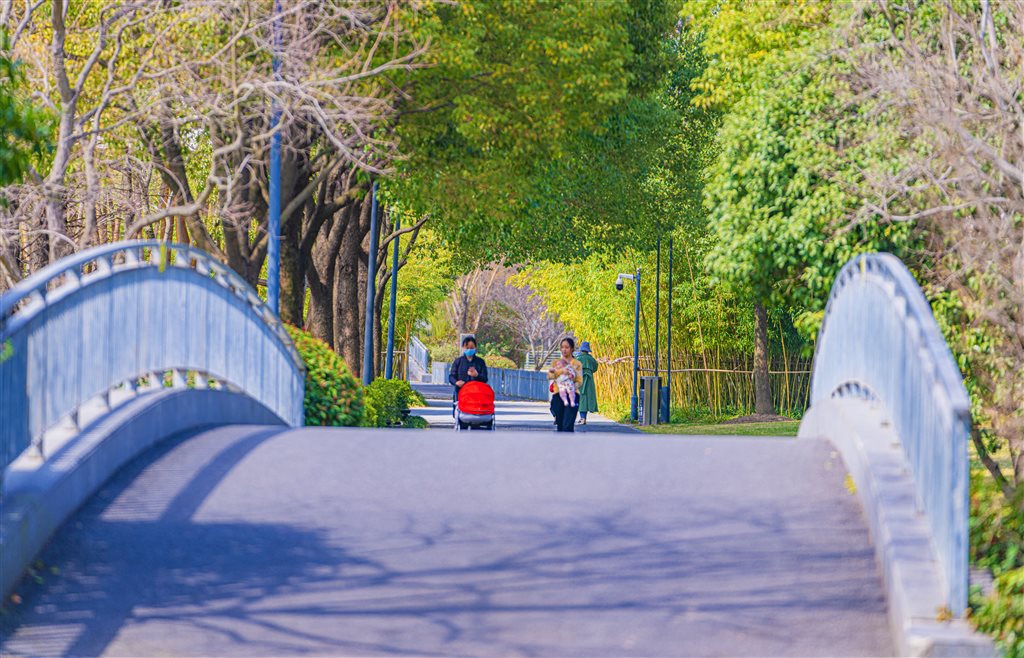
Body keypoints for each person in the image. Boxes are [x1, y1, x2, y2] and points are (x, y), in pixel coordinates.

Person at [548, 337, 583, 432]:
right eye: (562, 347)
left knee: (567, 425)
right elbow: (550, 376)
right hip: (558, 395)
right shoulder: (556, 362)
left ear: (572, 349)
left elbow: (579, 381)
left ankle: (569, 444)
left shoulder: (577, 363)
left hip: (573, 395)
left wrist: (570, 388)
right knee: (560, 424)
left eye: (567, 347)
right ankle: (560, 445)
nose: (564, 349)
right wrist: (561, 371)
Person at [449, 335, 488, 400]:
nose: (469, 349)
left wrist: (477, 375)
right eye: (467, 348)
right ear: (463, 348)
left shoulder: (480, 362)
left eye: (471, 347)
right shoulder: (458, 361)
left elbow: (485, 379)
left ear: (475, 347)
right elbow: (451, 376)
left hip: (476, 395)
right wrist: (456, 382)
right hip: (460, 394)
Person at [576, 341, 600, 425]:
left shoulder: (578, 358)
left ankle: (582, 418)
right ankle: (584, 418)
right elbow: (595, 368)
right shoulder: (591, 359)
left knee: (581, 398)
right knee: (587, 398)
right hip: (589, 380)